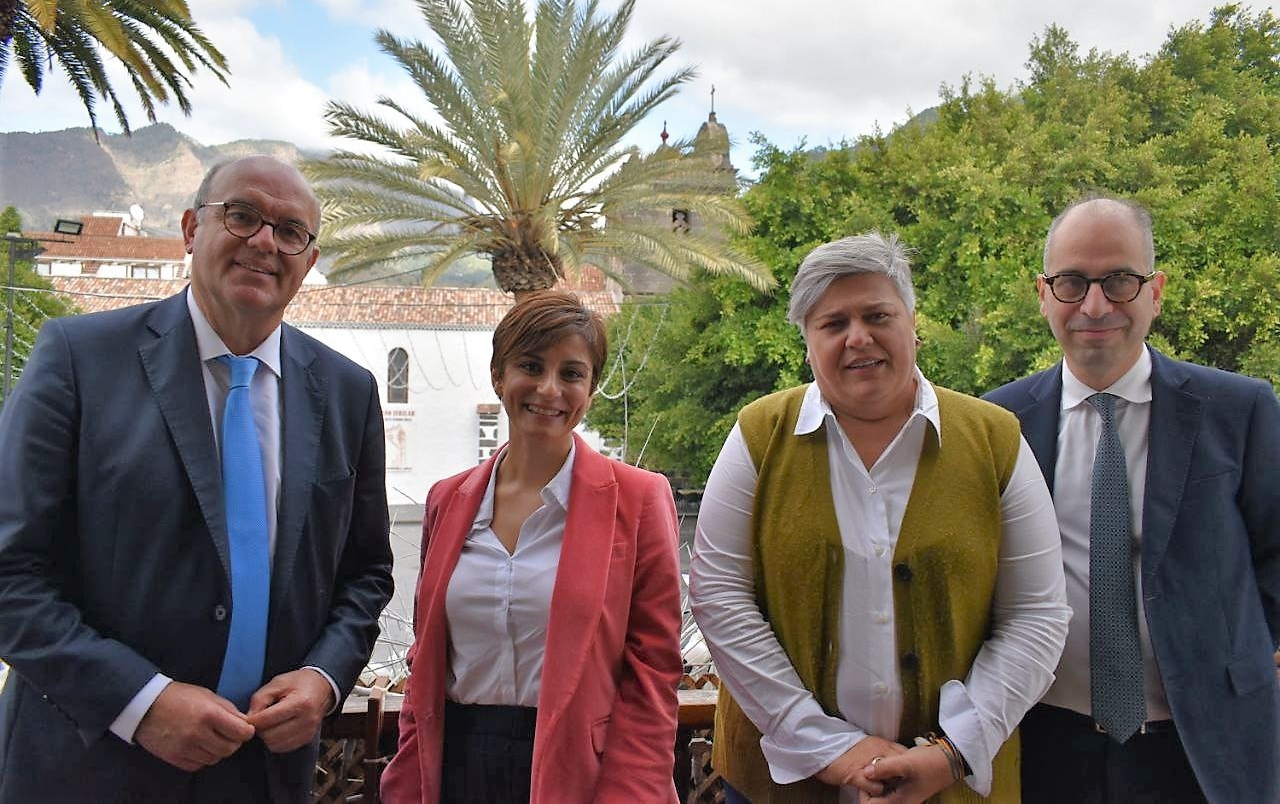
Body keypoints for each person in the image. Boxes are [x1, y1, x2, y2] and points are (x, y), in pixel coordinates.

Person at [0, 155, 395, 803]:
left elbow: (366, 574)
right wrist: (139, 701)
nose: (264, 242)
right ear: (190, 229)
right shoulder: (79, 360)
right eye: (242, 215)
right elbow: (11, 573)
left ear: (309, 260)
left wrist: (323, 678)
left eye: (289, 231)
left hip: (264, 774)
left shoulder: (348, 392)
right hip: (91, 767)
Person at [690, 233, 1070, 804]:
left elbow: (1037, 616)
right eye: (833, 323)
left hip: (952, 784)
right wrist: (826, 748)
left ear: (912, 324)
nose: (858, 337)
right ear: (807, 343)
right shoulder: (759, 436)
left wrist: (952, 752)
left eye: (877, 315)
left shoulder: (994, 441)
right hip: (780, 783)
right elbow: (719, 597)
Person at [984, 196, 1280, 803]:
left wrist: (1242, 656)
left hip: (1204, 751)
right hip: (1043, 746)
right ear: (1043, 294)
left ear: (1155, 291)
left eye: (1119, 281)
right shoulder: (997, 423)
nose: (1095, 306)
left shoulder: (1240, 410)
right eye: (1072, 283)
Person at [380, 291, 684, 803]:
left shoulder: (638, 499)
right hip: (455, 765)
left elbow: (652, 671)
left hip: (581, 772)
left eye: (571, 373)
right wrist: (407, 777)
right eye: (531, 366)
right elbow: (425, 658)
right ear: (498, 376)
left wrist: (630, 792)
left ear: (590, 390)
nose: (549, 389)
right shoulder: (447, 500)